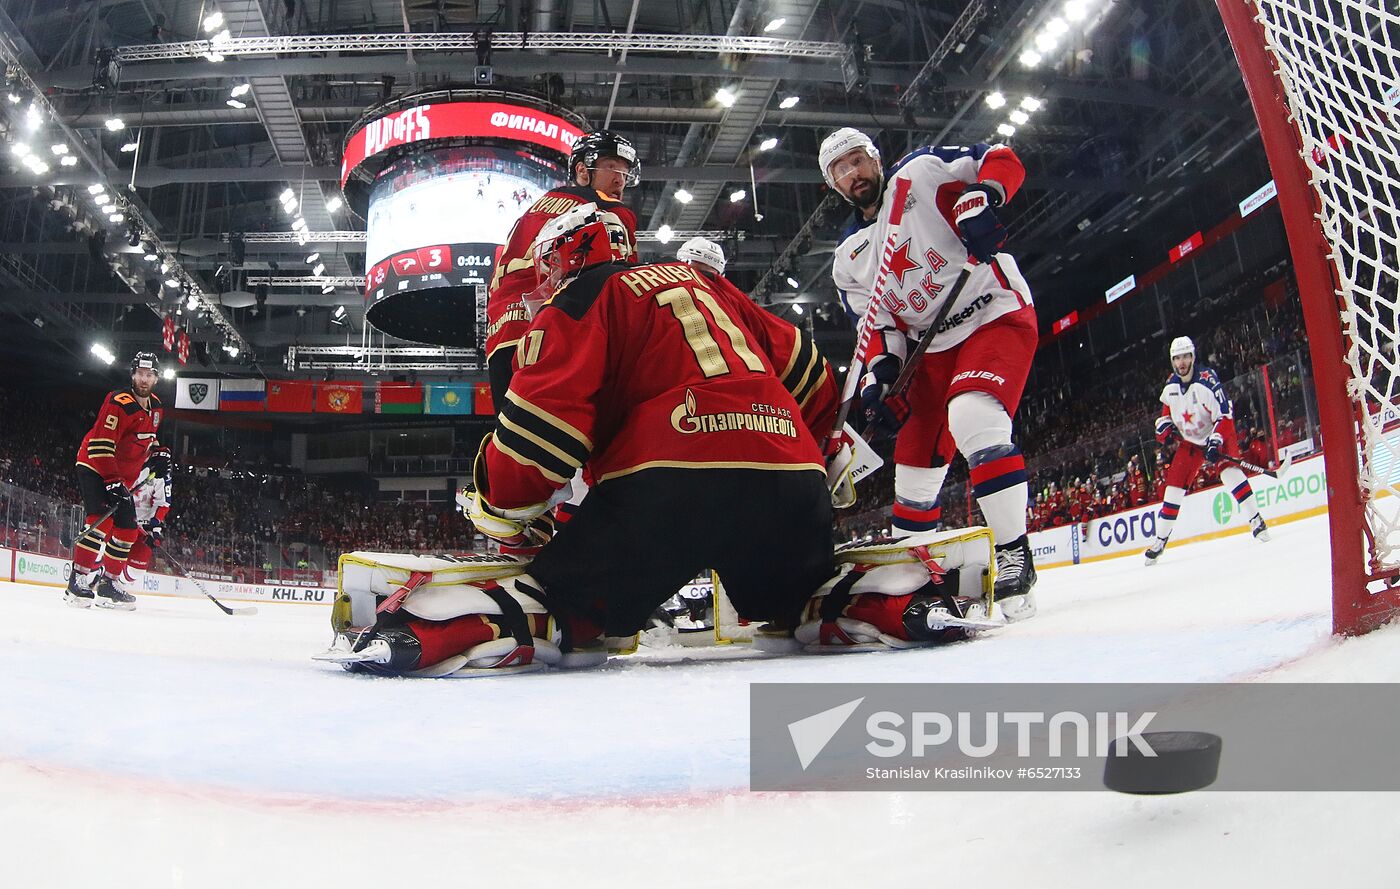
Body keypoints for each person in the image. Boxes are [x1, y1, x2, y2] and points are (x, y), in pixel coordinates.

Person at [330, 203, 846, 673]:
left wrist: (496, 502)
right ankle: (860, 601)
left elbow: (540, 438)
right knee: (798, 604)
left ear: (566, 253)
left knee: (569, 608)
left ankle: (444, 632)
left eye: (546, 266)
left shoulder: (581, 296)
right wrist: (813, 451)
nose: (542, 282)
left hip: (670, 488)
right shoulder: (704, 283)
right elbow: (815, 376)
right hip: (793, 485)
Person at [821, 126, 1038, 620]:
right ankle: (920, 581)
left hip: (991, 312)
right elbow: (877, 325)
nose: (853, 173)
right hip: (931, 350)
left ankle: (1012, 553)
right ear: (832, 184)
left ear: (875, 160)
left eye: (858, 160)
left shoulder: (921, 173)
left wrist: (986, 196)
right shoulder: (847, 258)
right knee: (914, 477)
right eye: (841, 169)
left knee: (972, 415)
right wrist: (883, 377)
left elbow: (1000, 157)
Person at [484, 130, 640, 407]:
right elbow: (624, 278)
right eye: (611, 167)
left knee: (509, 442)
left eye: (625, 172)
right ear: (582, 170)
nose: (620, 179)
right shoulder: (608, 209)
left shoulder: (531, 212)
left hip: (501, 337)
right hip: (556, 330)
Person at [1144, 336, 1270, 565]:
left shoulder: (1207, 381)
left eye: (1185, 356)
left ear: (1192, 357)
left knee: (1229, 473)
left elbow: (1225, 415)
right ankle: (1160, 540)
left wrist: (1215, 440)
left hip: (1217, 432)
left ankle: (1256, 519)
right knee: (1172, 489)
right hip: (1191, 442)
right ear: (1172, 361)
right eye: (1176, 358)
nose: (1181, 362)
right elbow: (1165, 415)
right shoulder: (1171, 386)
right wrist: (1164, 429)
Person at [68, 351, 165, 609]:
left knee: (127, 529)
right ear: (132, 374)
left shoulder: (156, 408)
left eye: (149, 374)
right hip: (95, 465)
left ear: (156, 378)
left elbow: (144, 440)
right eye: (140, 374)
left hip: (121, 477)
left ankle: (108, 584)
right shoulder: (118, 402)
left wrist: (157, 454)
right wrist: (112, 482)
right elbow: (102, 444)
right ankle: (77, 581)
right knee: (100, 521)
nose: (144, 379)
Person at [120, 445, 173, 588]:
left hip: (143, 527)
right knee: (101, 548)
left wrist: (154, 527)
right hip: (119, 519)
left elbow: (163, 503)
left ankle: (116, 583)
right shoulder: (128, 461)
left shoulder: (162, 475)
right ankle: (99, 573)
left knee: (136, 570)